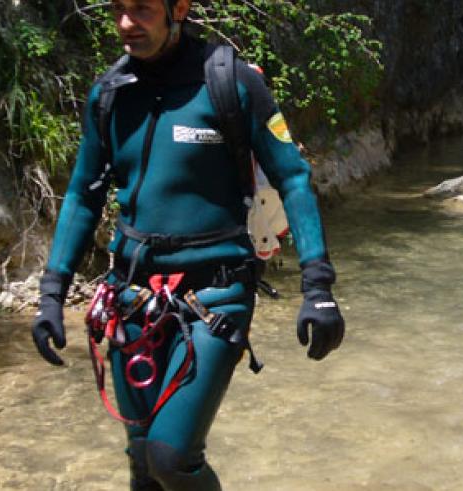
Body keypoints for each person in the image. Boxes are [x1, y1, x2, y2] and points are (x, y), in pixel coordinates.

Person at [30, 0, 345, 488]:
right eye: (116, 9)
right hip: (130, 300)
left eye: (142, 9)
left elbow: (294, 179)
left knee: (172, 457)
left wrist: (318, 287)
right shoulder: (109, 93)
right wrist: (52, 293)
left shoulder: (232, 83)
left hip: (216, 297)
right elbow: (81, 194)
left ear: (180, 7)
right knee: (142, 462)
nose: (125, 24)